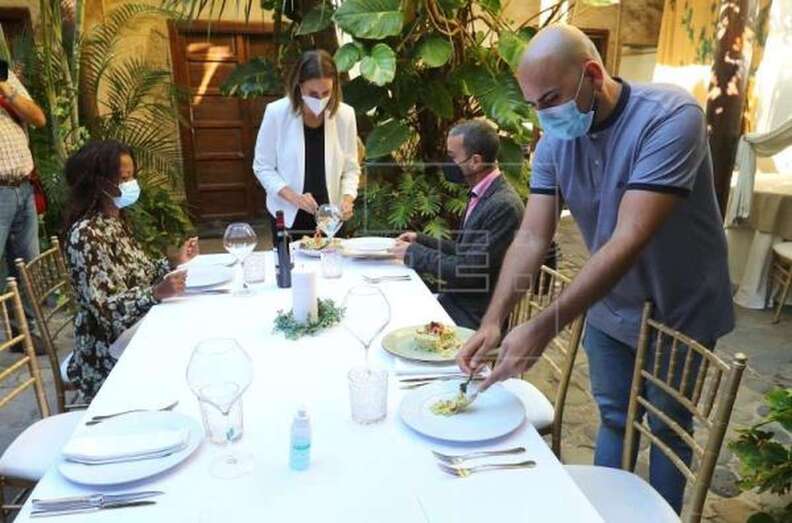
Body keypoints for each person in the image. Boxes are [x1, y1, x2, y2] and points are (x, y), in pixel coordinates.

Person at [458, 25, 734, 513]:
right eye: (534, 105)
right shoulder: (554, 145)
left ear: (591, 74)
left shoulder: (670, 117)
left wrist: (545, 324)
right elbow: (531, 235)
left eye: (551, 99)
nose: (544, 117)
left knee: (668, 425)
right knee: (612, 418)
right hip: (611, 305)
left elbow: (630, 237)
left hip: (681, 309)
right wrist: (495, 318)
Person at [63, 140, 199, 400]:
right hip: (104, 351)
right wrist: (156, 293)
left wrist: (173, 262)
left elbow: (138, 272)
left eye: (132, 176)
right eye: (124, 178)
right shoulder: (86, 235)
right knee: (185, 353)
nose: (131, 184)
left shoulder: (114, 220)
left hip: (134, 326)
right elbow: (104, 310)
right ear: (98, 182)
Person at [391, 120, 524, 329]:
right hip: (455, 302)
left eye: (452, 157)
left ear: (476, 161)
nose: (447, 163)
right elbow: (466, 253)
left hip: (472, 317)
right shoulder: (483, 193)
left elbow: (469, 272)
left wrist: (414, 253)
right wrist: (421, 240)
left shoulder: (503, 206)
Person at [253, 49, 360, 237]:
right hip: (288, 215)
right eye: (313, 93)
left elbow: (351, 168)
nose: (320, 100)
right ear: (299, 86)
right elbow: (263, 166)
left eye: (326, 93)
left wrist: (347, 198)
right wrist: (294, 198)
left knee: (333, 265)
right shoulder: (277, 113)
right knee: (290, 265)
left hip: (331, 218)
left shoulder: (345, 115)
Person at [0, 68, 47, 352]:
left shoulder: (6, 80)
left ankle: (24, 331)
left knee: (27, 264)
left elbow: (38, 118)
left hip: (23, 187)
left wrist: (8, 89)